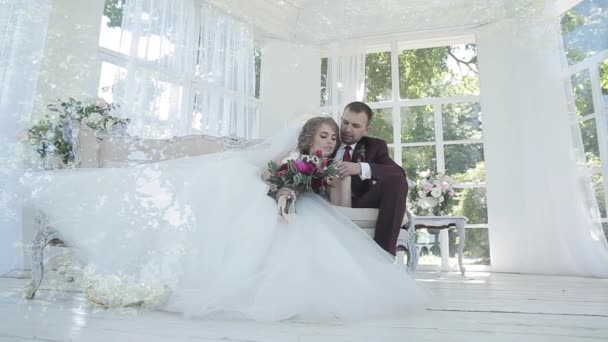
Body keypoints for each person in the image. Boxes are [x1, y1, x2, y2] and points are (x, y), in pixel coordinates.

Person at [26, 116, 425, 321]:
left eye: (334, 138)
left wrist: (306, 185)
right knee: (256, 220)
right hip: (265, 190)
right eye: (324, 136)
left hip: (293, 201)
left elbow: (322, 194)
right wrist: (285, 187)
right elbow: (268, 173)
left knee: (306, 232)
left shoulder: (322, 165)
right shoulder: (293, 157)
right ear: (308, 137)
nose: (330, 142)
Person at [333, 102, 409, 256]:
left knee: (397, 181)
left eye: (355, 125)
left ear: (367, 130)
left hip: (360, 201)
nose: (347, 129)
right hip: (327, 202)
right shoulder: (328, 139)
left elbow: (398, 172)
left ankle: (383, 257)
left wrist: (360, 168)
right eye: (345, 122)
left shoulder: (375, 146)